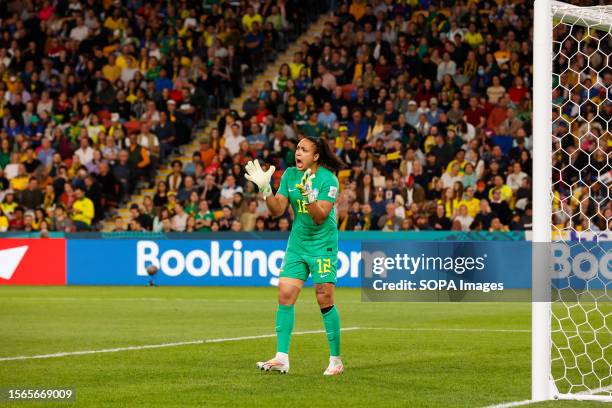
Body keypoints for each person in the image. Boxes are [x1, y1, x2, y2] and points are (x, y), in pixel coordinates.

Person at [245, 135, 345, 375]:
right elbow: (277, 210)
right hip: (298, 245)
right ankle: (281, 358)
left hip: (323, 245)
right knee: (285, 293)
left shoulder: (328, 180)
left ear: (316, 156)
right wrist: (266, 189)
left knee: (324, 297)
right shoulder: (290, 175)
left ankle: (335, 360)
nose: (298, 153)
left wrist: (309, 196)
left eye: (304, 150)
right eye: (297, 149)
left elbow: (320, 216)